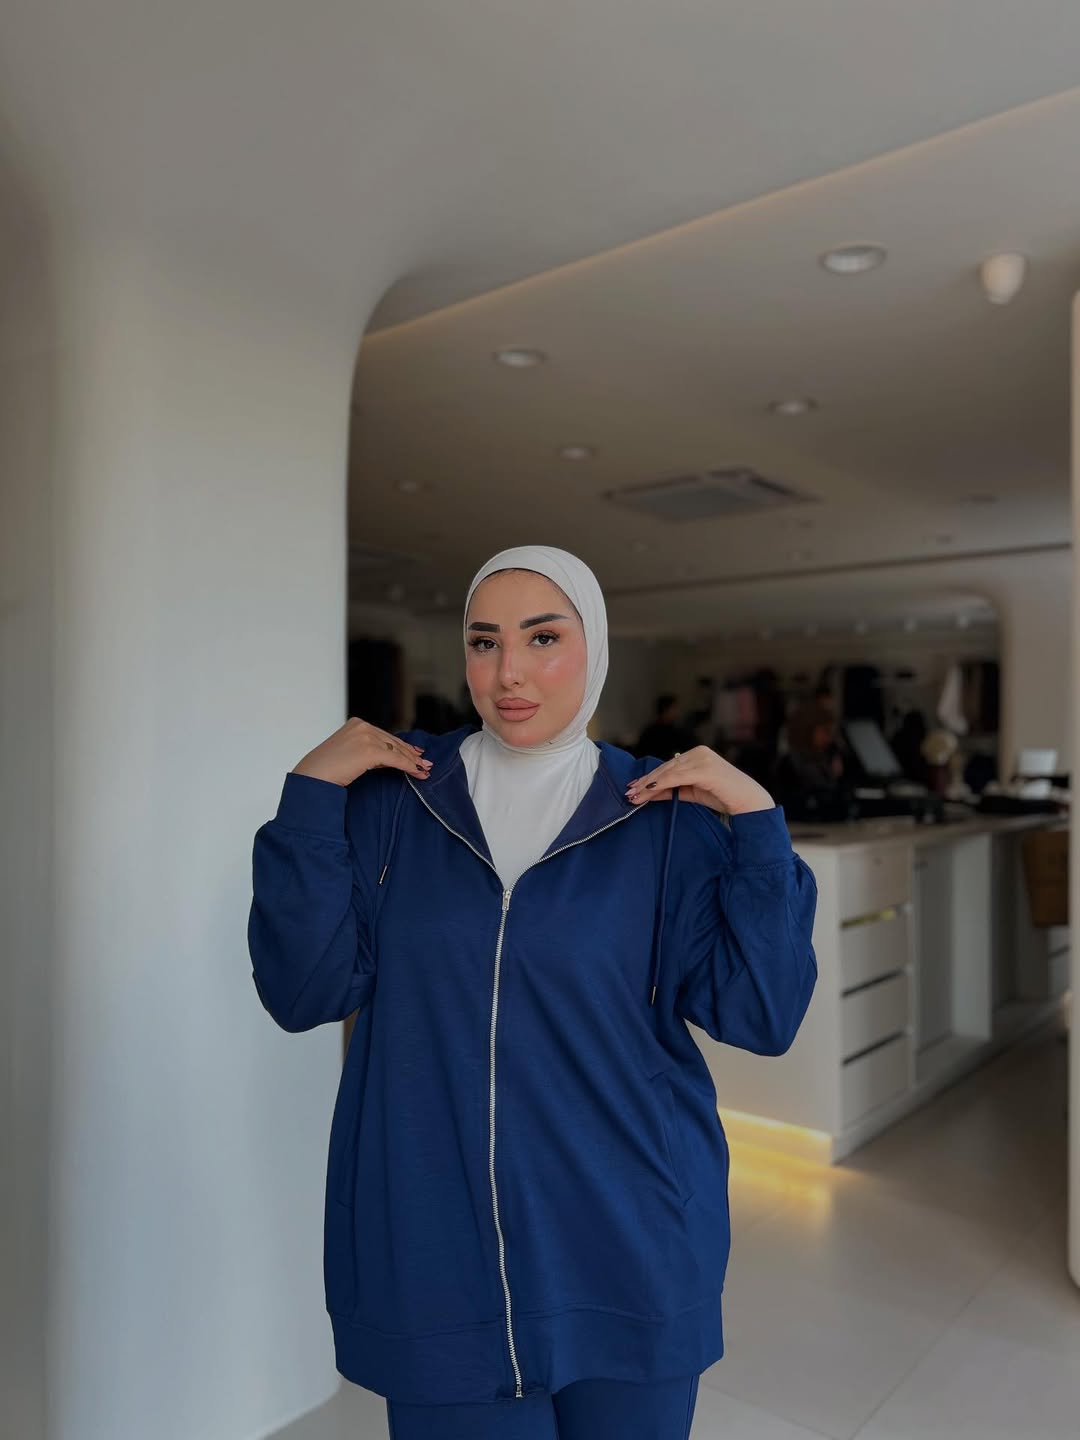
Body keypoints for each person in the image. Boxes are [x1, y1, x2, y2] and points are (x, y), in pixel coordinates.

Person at [247, 544, 818, 1440]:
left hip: (630, 1246)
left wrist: (757, 826)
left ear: (595, 649)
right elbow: (305, 991)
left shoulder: (663, 815)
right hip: (436, 1258)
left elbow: (762, 1014)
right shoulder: (393, 804)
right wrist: (312, 799)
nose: (508, 671)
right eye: (484, 642)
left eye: (542, 638)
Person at [634, 694, 697, 761]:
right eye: (674, 708)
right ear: (665, 709)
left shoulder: (680, 732)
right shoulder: (651, 732)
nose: (678, 712)